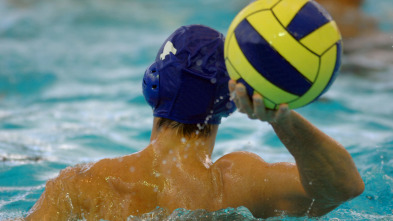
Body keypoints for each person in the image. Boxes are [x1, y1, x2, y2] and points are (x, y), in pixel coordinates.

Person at [25, 25, 364, 220]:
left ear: (152, 85)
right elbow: (345, 187)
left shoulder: (79, 187)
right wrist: (281, 119)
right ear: (228, 105)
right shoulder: (239, 185)